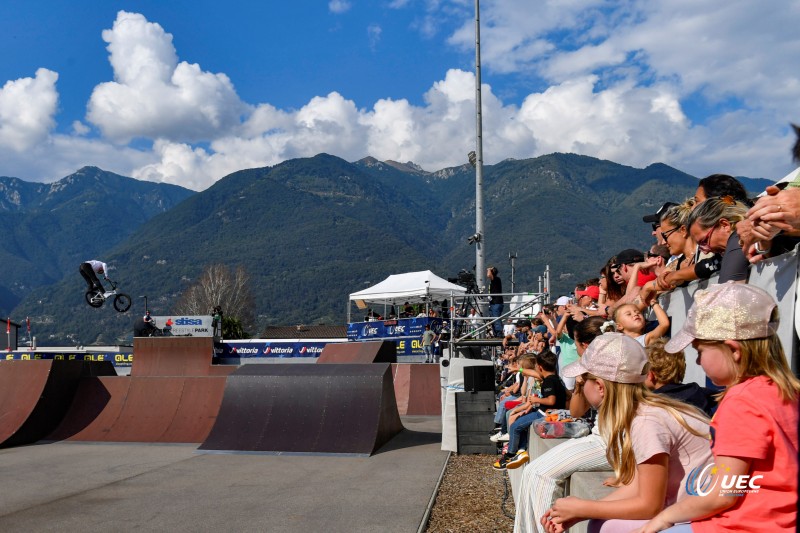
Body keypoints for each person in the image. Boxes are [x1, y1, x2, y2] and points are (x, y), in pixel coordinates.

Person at [636, 283, 800, 533]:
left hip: (748, 524)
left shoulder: (741, 401)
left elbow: (724, 494)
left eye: (699, 351)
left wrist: (664, 518)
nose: (699, 361)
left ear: (733, 349)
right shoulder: (786, 390)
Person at [540, 333, 711, 533]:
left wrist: (584, 508)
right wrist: (581, 512)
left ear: (600, 387)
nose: (581, 384)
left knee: (605, 528)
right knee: (600, 524)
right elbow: (639, 485)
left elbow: (649, 505)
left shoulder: (646, 421)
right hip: (693, 503)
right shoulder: (644, 412)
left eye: (584, 379)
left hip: (706, 512)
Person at [496, 350, 568, 470]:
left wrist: (537, 401)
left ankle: (510, 454)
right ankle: (521, 450)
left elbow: (551, 401)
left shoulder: (549, 381)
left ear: (539, 367)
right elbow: (532, 373)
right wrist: (518, 370)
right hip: (548, 412)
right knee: (520, 422)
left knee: (515, 426)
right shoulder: (555, 378)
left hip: (542, 414)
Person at [686, 196, 749, 283]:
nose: (705, 252)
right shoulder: (727, 254)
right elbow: (707, 266)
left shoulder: (738, 238)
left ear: (725, 225)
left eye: (704, 241)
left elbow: (728, 291)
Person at [487, 266, 504, 337]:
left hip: (496, 303)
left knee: (496, 318)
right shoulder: (494, 281)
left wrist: (489, 269)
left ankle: (499, 333)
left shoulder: (496, 279)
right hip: (493, 303)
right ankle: (496, 333)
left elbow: (489, 275)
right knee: (493, 319)